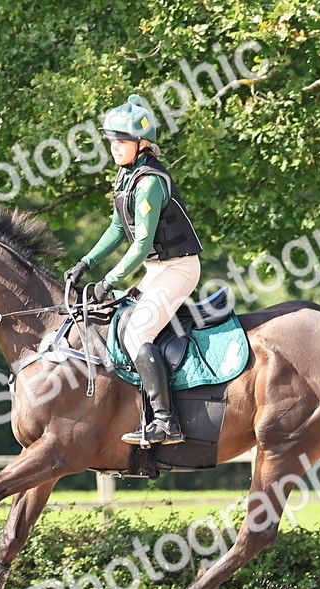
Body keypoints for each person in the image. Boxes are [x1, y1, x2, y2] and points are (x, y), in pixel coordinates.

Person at [64, 94, 203, 446]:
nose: (115, 147)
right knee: (118, 323)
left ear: (142, 144)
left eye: (122, 141)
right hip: (158, 269)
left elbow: (141, 245)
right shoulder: (126, 176)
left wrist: (108, 280)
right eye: (112, 141)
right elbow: (116, 230)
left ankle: (166, 422)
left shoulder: (149, 182)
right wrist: (85, 262)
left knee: (137, 333)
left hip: (178, 269)